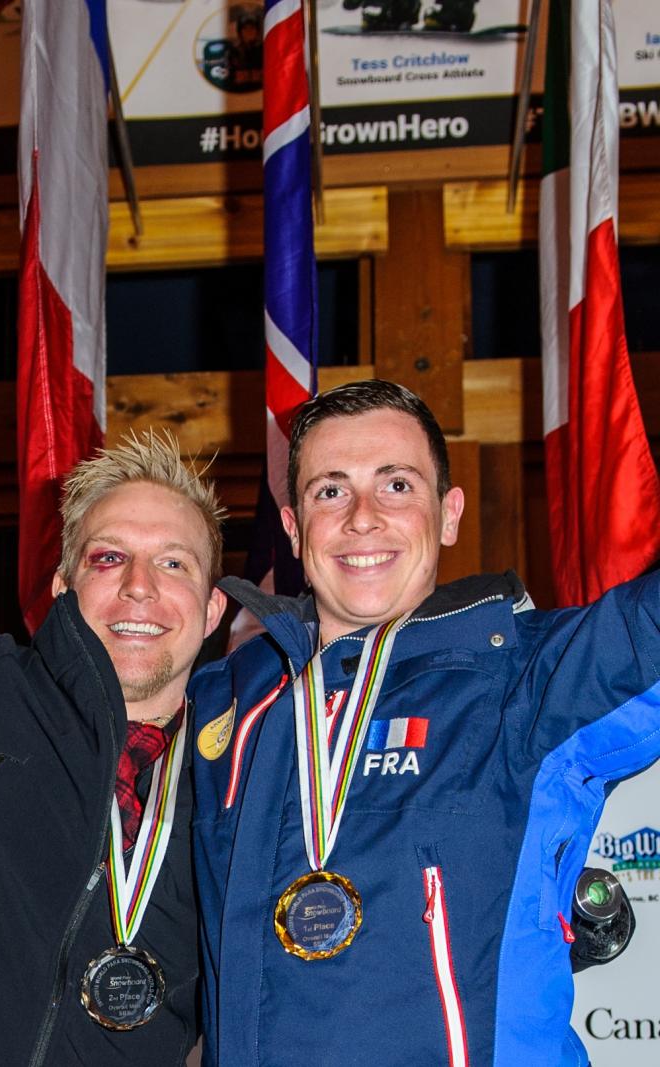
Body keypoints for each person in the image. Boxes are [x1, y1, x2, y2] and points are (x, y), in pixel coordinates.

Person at [189, 379, 660, 1067]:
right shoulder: (226, 700)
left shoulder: (529, 676)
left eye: (397, 485)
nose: (362, 517)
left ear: (448, 513)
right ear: (293, 529)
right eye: (330, 490)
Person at [0, 431, 226, 1066]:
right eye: (108, 558)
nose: (139, 586)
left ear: (213, 608)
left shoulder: (242, 785)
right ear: (62, 588)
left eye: (173, 563)